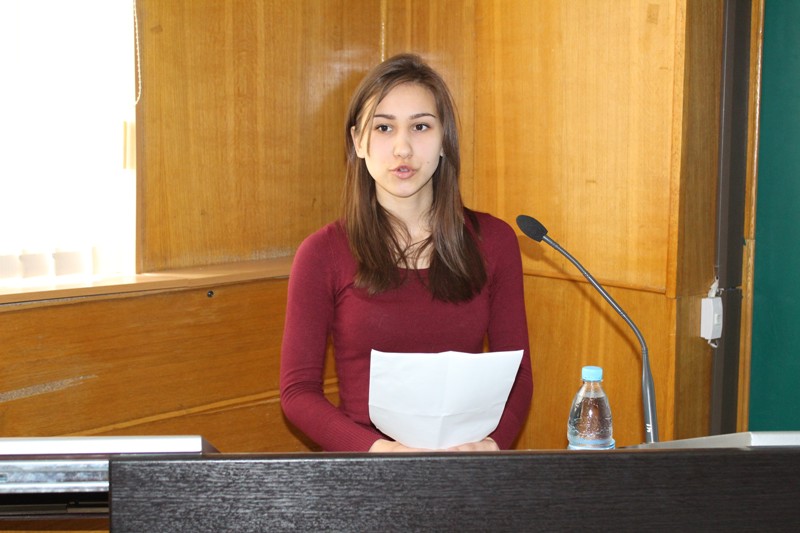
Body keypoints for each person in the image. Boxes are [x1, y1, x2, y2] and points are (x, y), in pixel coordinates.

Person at [280, 53, 532, 452]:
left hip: (464, 464)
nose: (403, 148)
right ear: (358, 142)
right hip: (369, 467)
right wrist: (380, 451)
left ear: (444, 139)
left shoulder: (495, 241)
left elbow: (517, 376)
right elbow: (298, 392)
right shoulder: (322, 253)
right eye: (383, 127)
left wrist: (490, 445)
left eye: (420, 126)